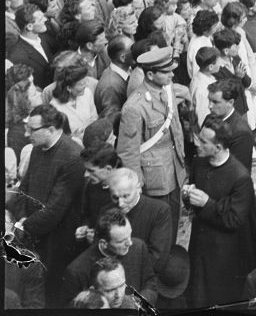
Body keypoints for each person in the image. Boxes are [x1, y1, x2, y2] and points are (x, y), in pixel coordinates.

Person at [11, 103, 86, 304]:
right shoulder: (38, 147)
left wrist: (24, 226)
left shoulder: (72, 157)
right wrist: (21, 219)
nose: (26, 134)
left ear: (51, 130)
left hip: (56, 240)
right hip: (32, 232)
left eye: (31, 129)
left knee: (50, 292)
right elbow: (23, 190)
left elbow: (56, 209)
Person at [183, 121, 256, 308]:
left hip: (224, 254)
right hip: (200, 247)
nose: (197, 144)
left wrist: (206, 204)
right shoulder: (199, 162)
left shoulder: (240, 177)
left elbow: (234, 219)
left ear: (218, 147)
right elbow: (193, 193)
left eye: (203, 142)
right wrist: (187, 195)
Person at [116, 46, 187, 242]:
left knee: (172, 223)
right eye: (166, 72)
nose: (172, 74)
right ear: (150, 74)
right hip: (153, 179)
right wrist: (136, 185)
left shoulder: (167, 90)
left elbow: (176, 129)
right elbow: (128, 152)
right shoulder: (134, 107)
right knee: (158, 232)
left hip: (173, 170)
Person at [62, 204, 158, 305]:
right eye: (121, 241)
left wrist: (137, 304)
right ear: (103, 243)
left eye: (130, 235)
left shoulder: (139, 247)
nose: (130, 243)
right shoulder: (77, 272)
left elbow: (150, 282)